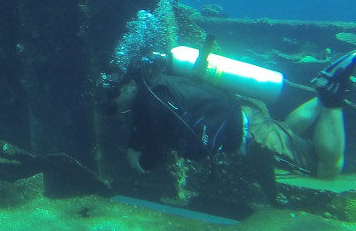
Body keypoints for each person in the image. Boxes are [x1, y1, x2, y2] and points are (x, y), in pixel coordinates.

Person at [107, 49, 356, 180]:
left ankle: (331, 97)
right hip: (243, 116)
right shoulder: (155, 86)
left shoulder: (151, 102)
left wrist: (139, 160)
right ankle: (324, 96)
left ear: (129, 85)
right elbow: (148, 129)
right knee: (285, 131)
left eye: (113, 98)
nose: (113, 107)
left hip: (249, 132)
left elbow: (152, 156)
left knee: (328, 169)